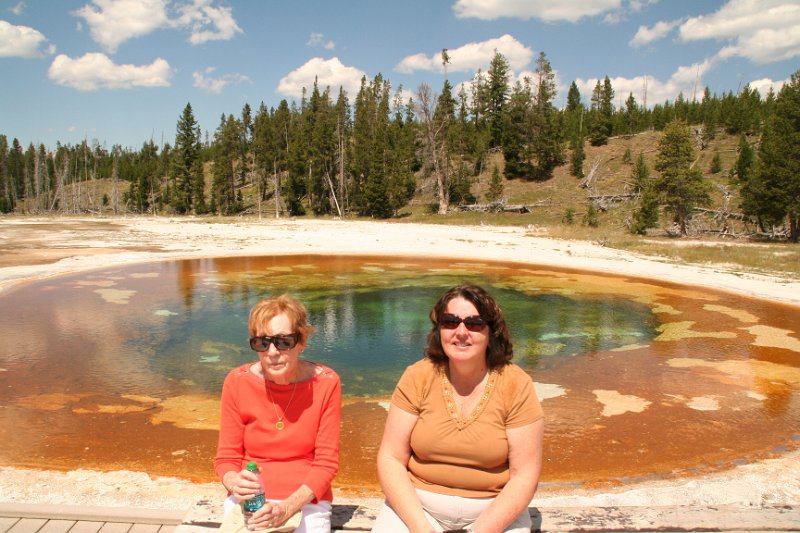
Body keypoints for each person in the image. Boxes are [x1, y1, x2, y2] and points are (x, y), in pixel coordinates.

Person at [373, 285, 544, 533]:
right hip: (418, 507)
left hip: (494, 512)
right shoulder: (418, 376)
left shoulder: (516, 385)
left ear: (491, 333)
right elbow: (390, 458)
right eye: (450, 321)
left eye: (474, 323)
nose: (461, 332)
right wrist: (420, 528)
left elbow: (525, 475)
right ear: (439, 329)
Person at [215, 294, 341, 532]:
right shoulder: (236, 382)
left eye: (283, 342)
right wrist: (233, 482)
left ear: (301, 341)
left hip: (306, 500)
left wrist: (287, 508)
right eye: (262, 343)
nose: (272, 352)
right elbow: (226, 458)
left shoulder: (327, 382)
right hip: (250, 499)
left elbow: (326, 464)